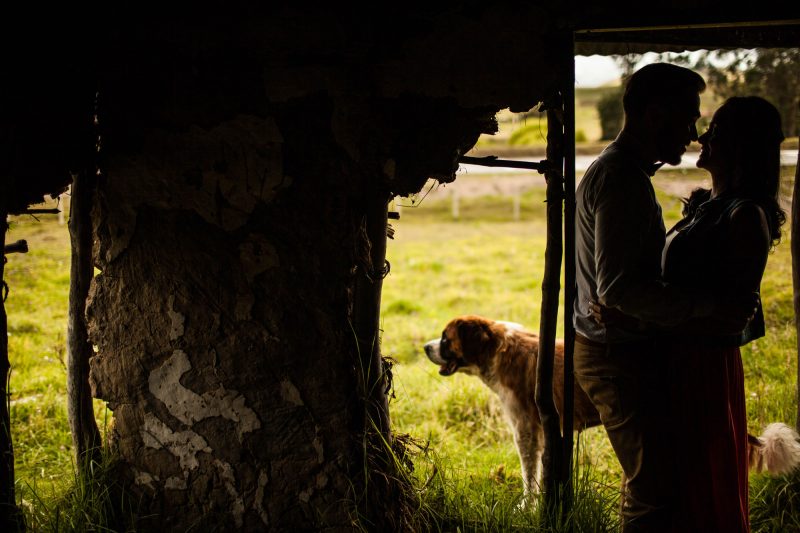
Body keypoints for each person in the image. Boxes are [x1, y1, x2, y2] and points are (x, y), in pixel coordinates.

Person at [573, 64, 756, 532]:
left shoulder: (625, 173)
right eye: (689, 119)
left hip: (622, 347)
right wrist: (706, 308)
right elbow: (618, 289)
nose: (693, 135)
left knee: (656, 483)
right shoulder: (622, 181)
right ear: (655, 115)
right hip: (616, 356)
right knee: (653, 493)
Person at [658, 96, 785, 532]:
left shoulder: (745, 215)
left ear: (739, 143)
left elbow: (732, 316)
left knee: (702, 485)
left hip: (704, 368)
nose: (701, 136)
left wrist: (642, 318)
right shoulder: (710, 206)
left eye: (714, 129)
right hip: (677, 361)